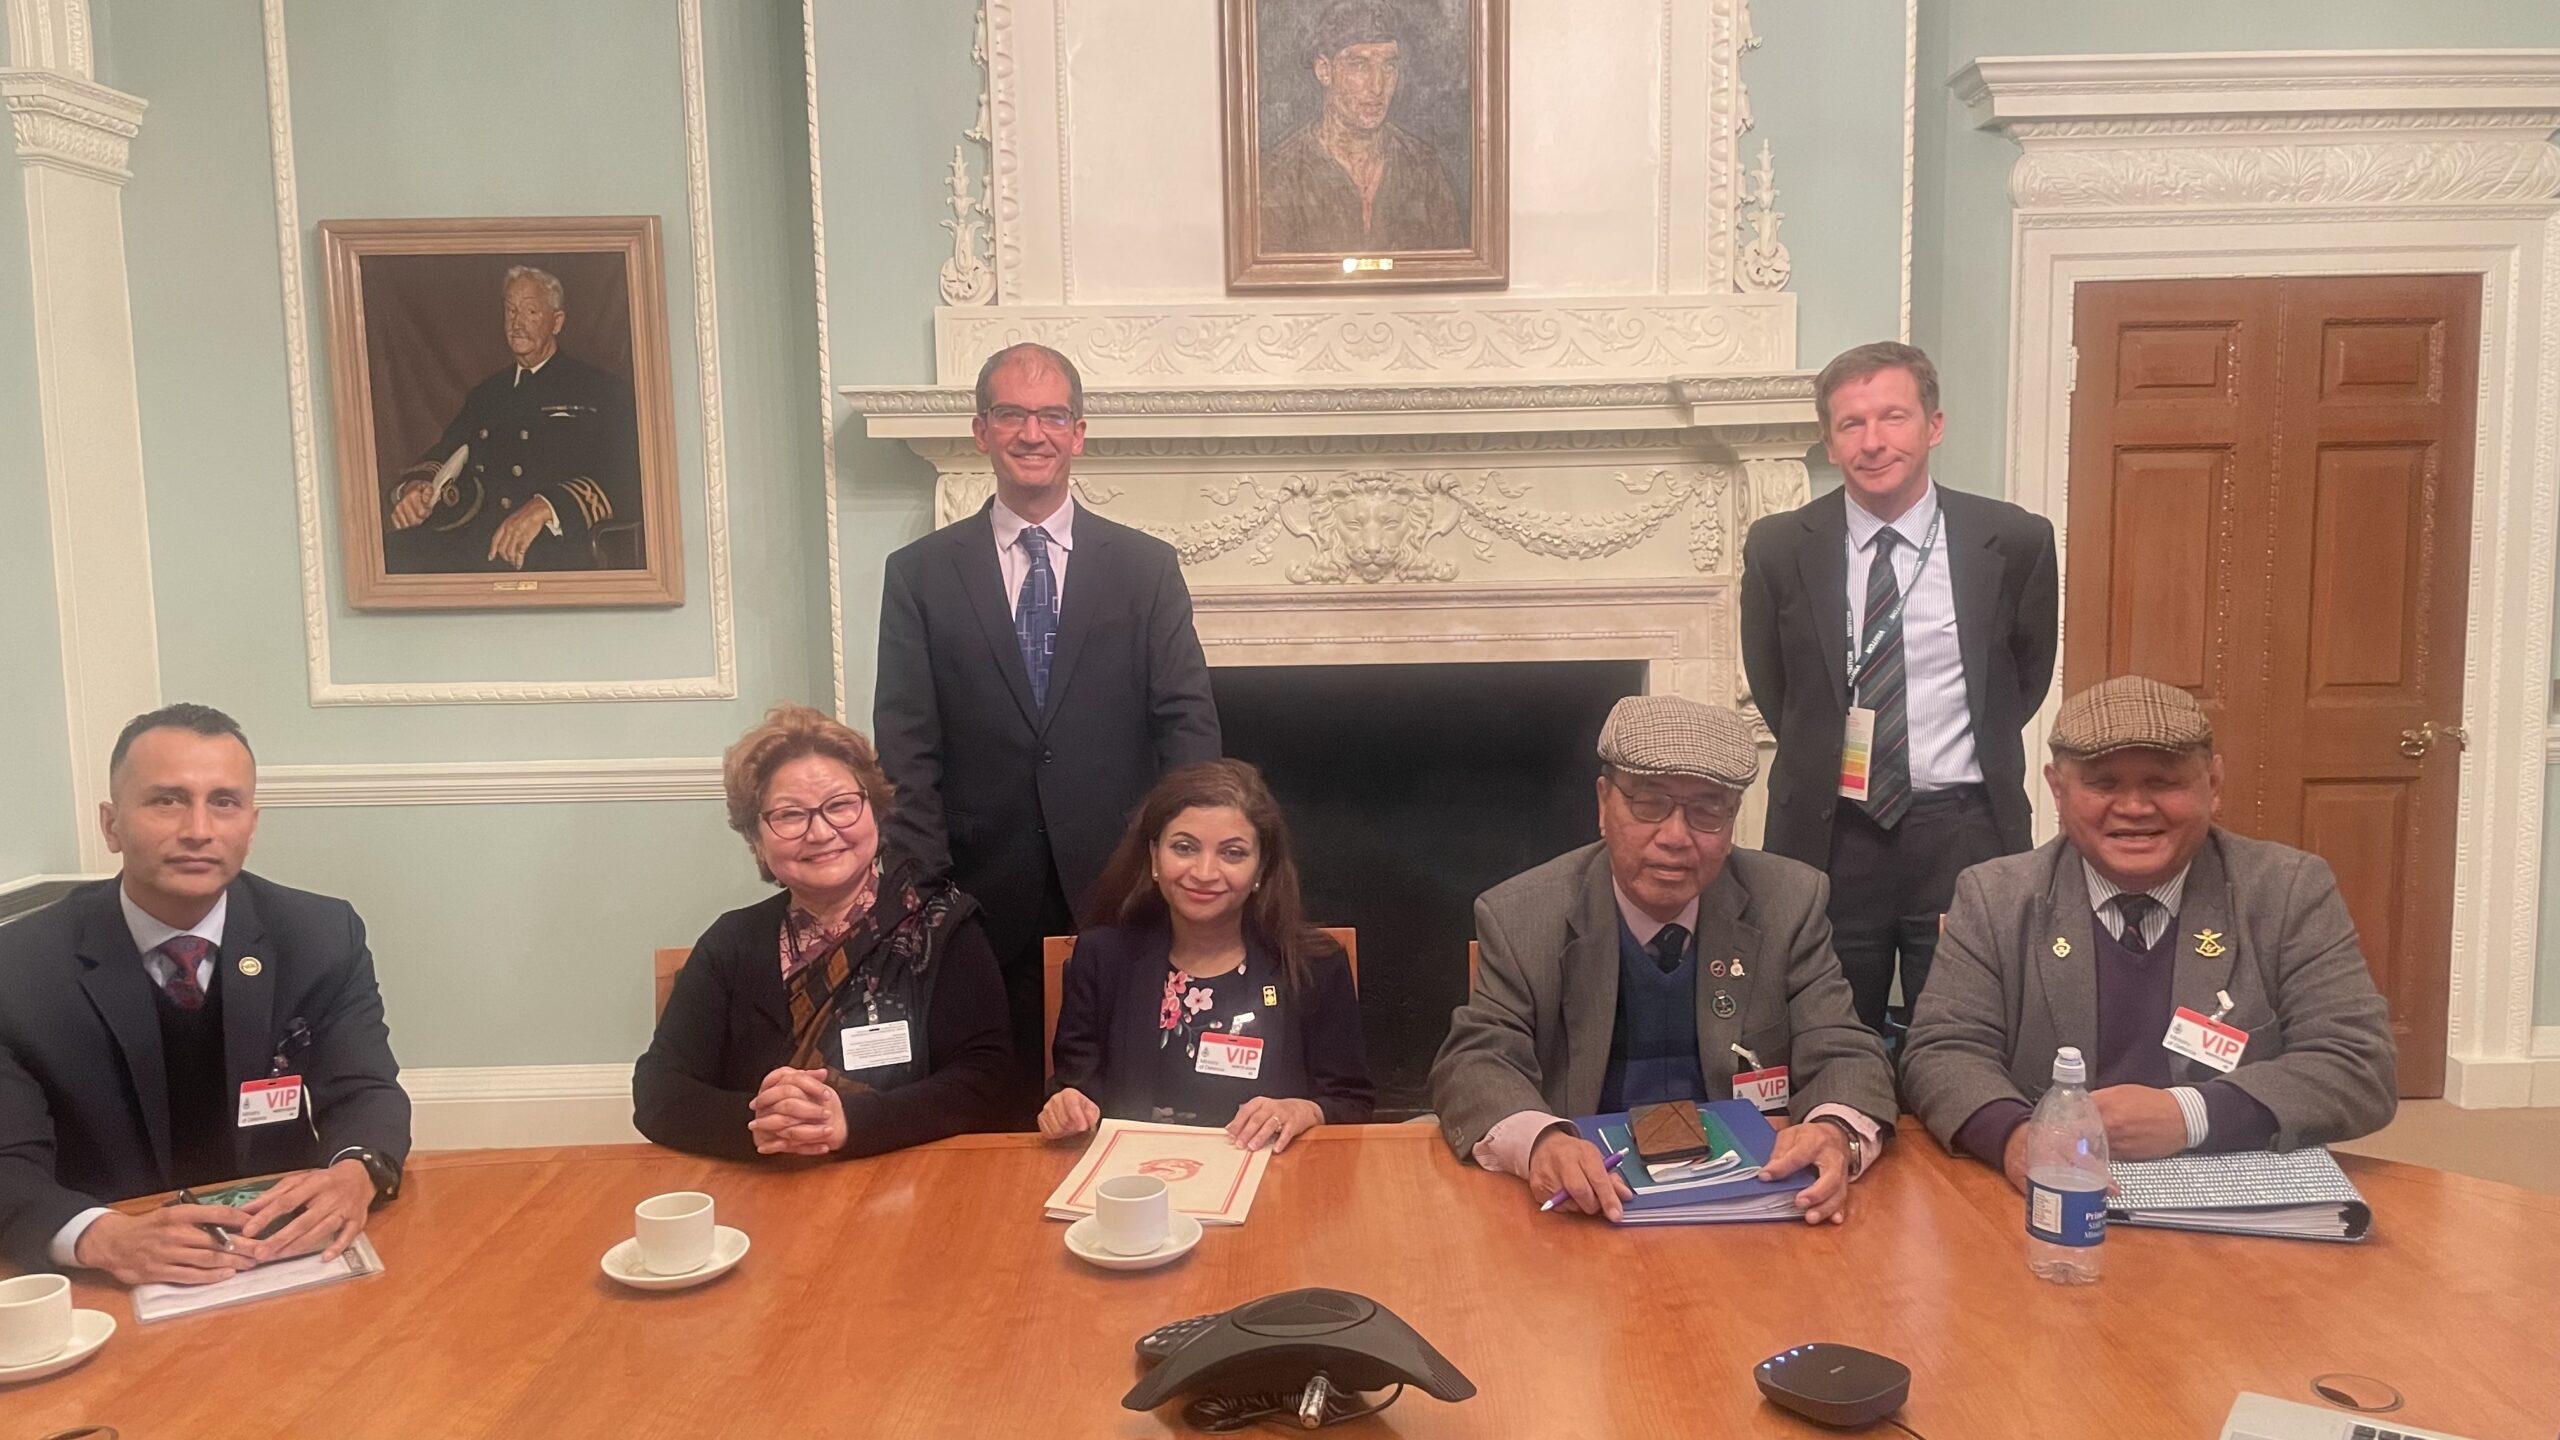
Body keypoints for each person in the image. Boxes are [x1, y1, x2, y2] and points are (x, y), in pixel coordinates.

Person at [875, 343, 1222, 1119]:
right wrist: (925, 894)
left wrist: (1181, 859)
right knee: (992, 1106)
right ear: (981, 431)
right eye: (1012, 414)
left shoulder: (1145, 568)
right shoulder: (920, 574)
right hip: (976, 891)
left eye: (1052, 416)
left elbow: (1186, 724)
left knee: (1123, 1097)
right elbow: (905, 746)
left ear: (1078, 433)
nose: (1032, 433)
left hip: (1122, 882)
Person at [1901, 676, 2399, 1189]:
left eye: (2163, 782)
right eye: (2103, 784)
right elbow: (1943, 1051)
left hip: (2232, 1186)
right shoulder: (1995, 896)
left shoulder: (2286, 890)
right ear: (2057, 789)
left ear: (2214, 784)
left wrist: (2191, 1115)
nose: (2135, 808)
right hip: (2049, 1191)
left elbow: (2358, 1067)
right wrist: (2017, 1137)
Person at [1429, 695, 1896, 1224]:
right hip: (1591, 1206)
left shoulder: (1789, 902)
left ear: (1733, 819)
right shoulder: (1522, 914)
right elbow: (1475, 1061)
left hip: (1751, 1201)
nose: (1675, 837)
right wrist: (1541, 1143)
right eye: (1649, 804)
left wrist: (1835, 1133)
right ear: (1603, 805)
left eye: (1707, 811)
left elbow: (1845, 1048)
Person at [0, 704, 408, 1282]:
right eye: (167, 800)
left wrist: (354, 1173)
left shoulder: (320, 934)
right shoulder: (17, 967)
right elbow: (8, 1162)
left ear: (251, 824)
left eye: (224, 802)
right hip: (109, 1267)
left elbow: (366, 1091)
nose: (198, 829)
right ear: (111, 825)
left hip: (280, 1253)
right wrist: (100, 1238)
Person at [1739, 341, 2058, 1042]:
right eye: (1851, 424)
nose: (1873, 441)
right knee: (1822, 1030)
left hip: (1964, 830)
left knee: (1967, 1029)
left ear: (1933, 426)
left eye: (1893, 417)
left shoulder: (2014, 539)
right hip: (1830, 833)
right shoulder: (1779, 546)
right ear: (1830, 441)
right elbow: (1776, 686)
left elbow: (2023, 680)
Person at [635, 705, 1014, 1160]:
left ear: (875, 812)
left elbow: (985, 1080)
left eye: (839, 806)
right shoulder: (731, 943)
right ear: (756, 840)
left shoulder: (942, 927)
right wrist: (762, 1124)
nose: (820, 832)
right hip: (762, 1186)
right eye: (790, 815)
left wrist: (850, 1122)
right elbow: (659, 1092)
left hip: (910, 1180)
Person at [1039, 760, 1373, 1150]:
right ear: (1154, 856)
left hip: (1270, 1173)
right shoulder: (1103, 957)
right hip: (1138, 1175)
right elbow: (1074, 1089)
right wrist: (1066, 1108)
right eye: (1184, 848)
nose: (1204, 872)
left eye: (1232, 853)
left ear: (1261, 868)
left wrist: (1305, 1111)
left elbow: (1351, 1101)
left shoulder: (1314, 965)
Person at [383, 265, 642, 573]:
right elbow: (446, 451)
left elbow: (631, 479)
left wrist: (548, 507)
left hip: (550, 545)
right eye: (511, 311)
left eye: (531, 311)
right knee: (387, 555)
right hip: (474, 537)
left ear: (557, 322)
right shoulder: (487, 393)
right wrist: (416, 487)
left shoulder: (600, 390)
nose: (517, 323)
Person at [1258, 0, 1463, 254]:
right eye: (1359, 65)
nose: (1377, 86)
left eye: (1389, 66)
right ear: (1324, 70)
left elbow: (1452, 266)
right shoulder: (1280, 174)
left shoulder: (1423, 167)